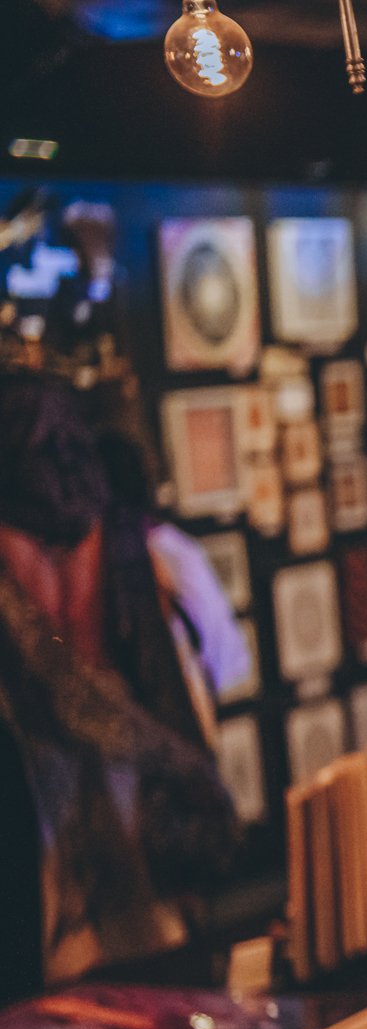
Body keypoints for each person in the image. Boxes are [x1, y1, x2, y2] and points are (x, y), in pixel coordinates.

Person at [0, 371, 237, 991]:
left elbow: (203, 823)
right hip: (35, 1001)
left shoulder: (150, 607)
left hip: (166, 967)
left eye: (75, 541)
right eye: (42, 543)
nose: (61, 585)